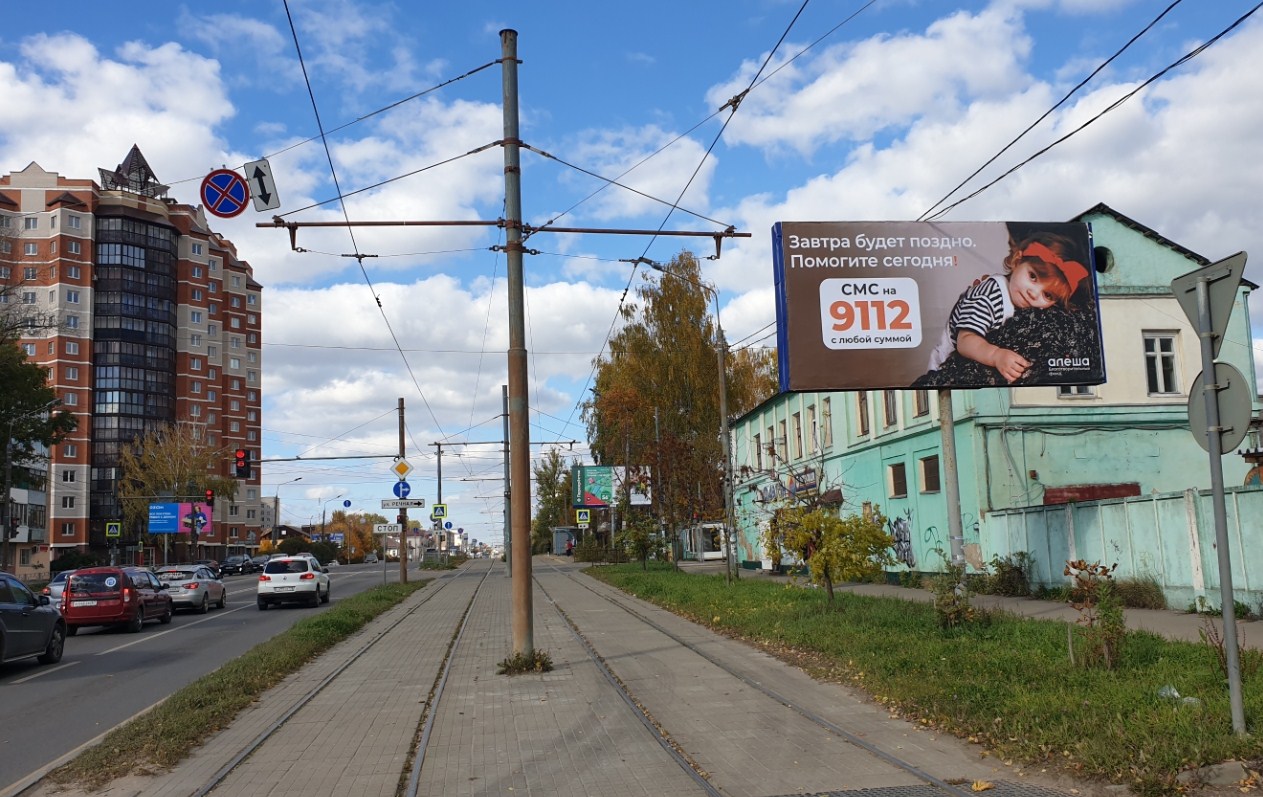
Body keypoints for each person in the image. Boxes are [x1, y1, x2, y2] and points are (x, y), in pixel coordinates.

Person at [925, 231, 1089, 383]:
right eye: (1033, 277)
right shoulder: (990, 295)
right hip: (944, 365)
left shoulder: (1027, 303)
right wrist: (996, 355)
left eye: (1048, 295)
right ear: (1017, 261)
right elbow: (965, 341)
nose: (1033, 293)